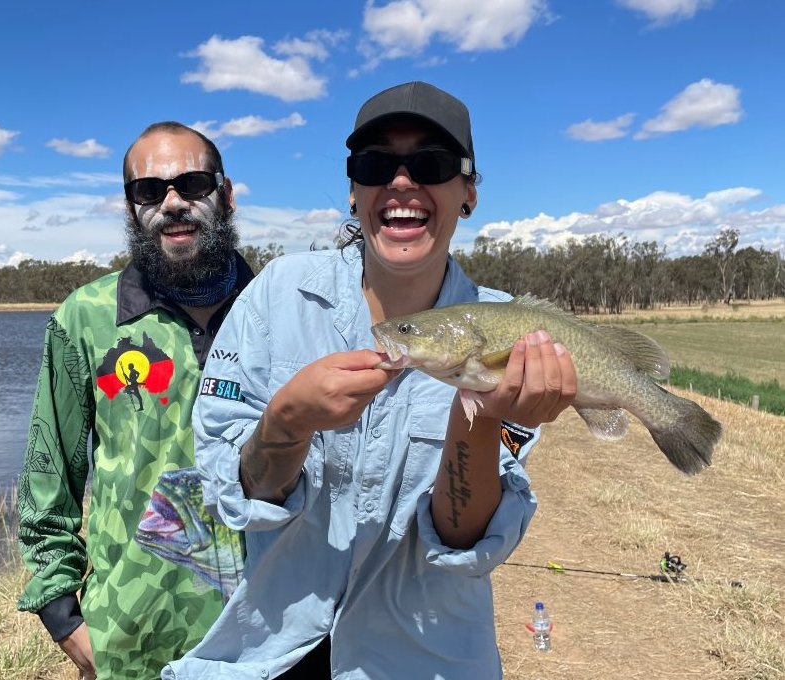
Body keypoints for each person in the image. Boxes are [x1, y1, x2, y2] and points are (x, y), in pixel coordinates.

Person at [163, 81, 577, 680]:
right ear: (354, 190)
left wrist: (481, 418)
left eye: (431, 163)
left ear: (468, 193)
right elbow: (234, 497)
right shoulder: (277, 296)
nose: (402, 183)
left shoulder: (513, 335)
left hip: (421, 661)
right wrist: (288, 421)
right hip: (274, 653)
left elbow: (463, 541)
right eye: (376, 163)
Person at [16, 121, 254, 680]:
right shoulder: (86, 318)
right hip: (131, 644)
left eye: (193, 184)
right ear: (130, 209)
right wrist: (63, 615)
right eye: (148, 191)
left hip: (272, 638)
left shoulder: (279, 311)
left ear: (226, 193)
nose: (172, 203)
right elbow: (49, 474)